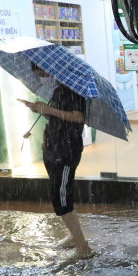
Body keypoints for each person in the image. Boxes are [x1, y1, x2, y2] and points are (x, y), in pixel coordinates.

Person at [19, 64, 94, 259]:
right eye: (38, 75)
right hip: (53, 147)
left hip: (65, 152)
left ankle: (83, 248)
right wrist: (40, 110)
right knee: (61, 193)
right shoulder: (59, 90)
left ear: (53, 71)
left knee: (60, 198)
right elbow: (58, 116)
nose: (42, 78)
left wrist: (49, 110)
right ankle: (73, 236)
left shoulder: (73, 89)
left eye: (43, 74)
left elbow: (78, 117)